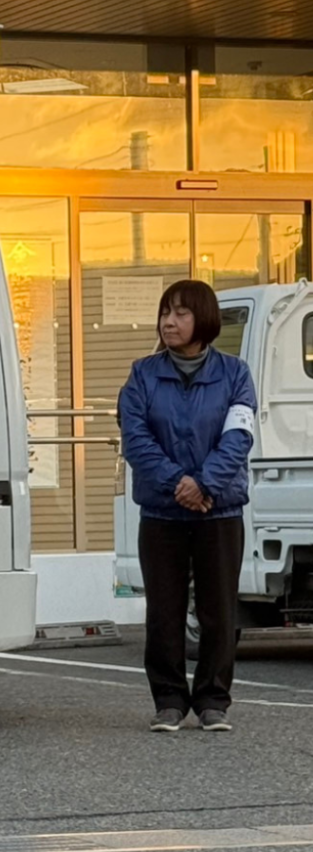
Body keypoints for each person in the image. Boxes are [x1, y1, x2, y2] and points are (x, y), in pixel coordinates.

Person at [119, 280, 256, 733]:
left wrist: (205, 484)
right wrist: (178, 483)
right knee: (164, 612)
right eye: (165, 312)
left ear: (204, 319)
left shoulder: (235, 373)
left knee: (218, 611)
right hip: (162, 511)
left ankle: (213, 700)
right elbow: (136, 439)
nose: (169, 322)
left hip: (219, 511)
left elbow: (238, 437)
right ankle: (169, 701)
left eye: (180, 313)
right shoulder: (142, 374)